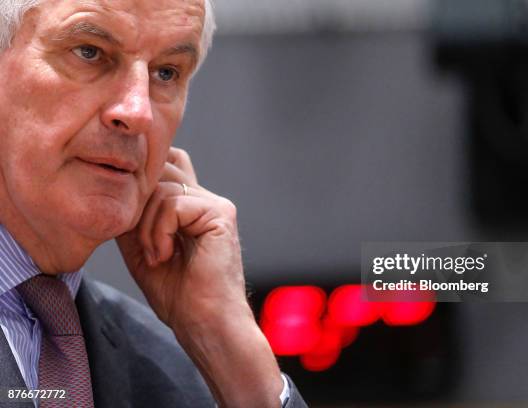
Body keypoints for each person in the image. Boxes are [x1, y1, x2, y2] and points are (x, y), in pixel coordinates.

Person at [0, 0, 307, 407]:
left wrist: (230, 352)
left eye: (166, 73)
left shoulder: (178, 371)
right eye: (89, 52)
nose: (137, 111)